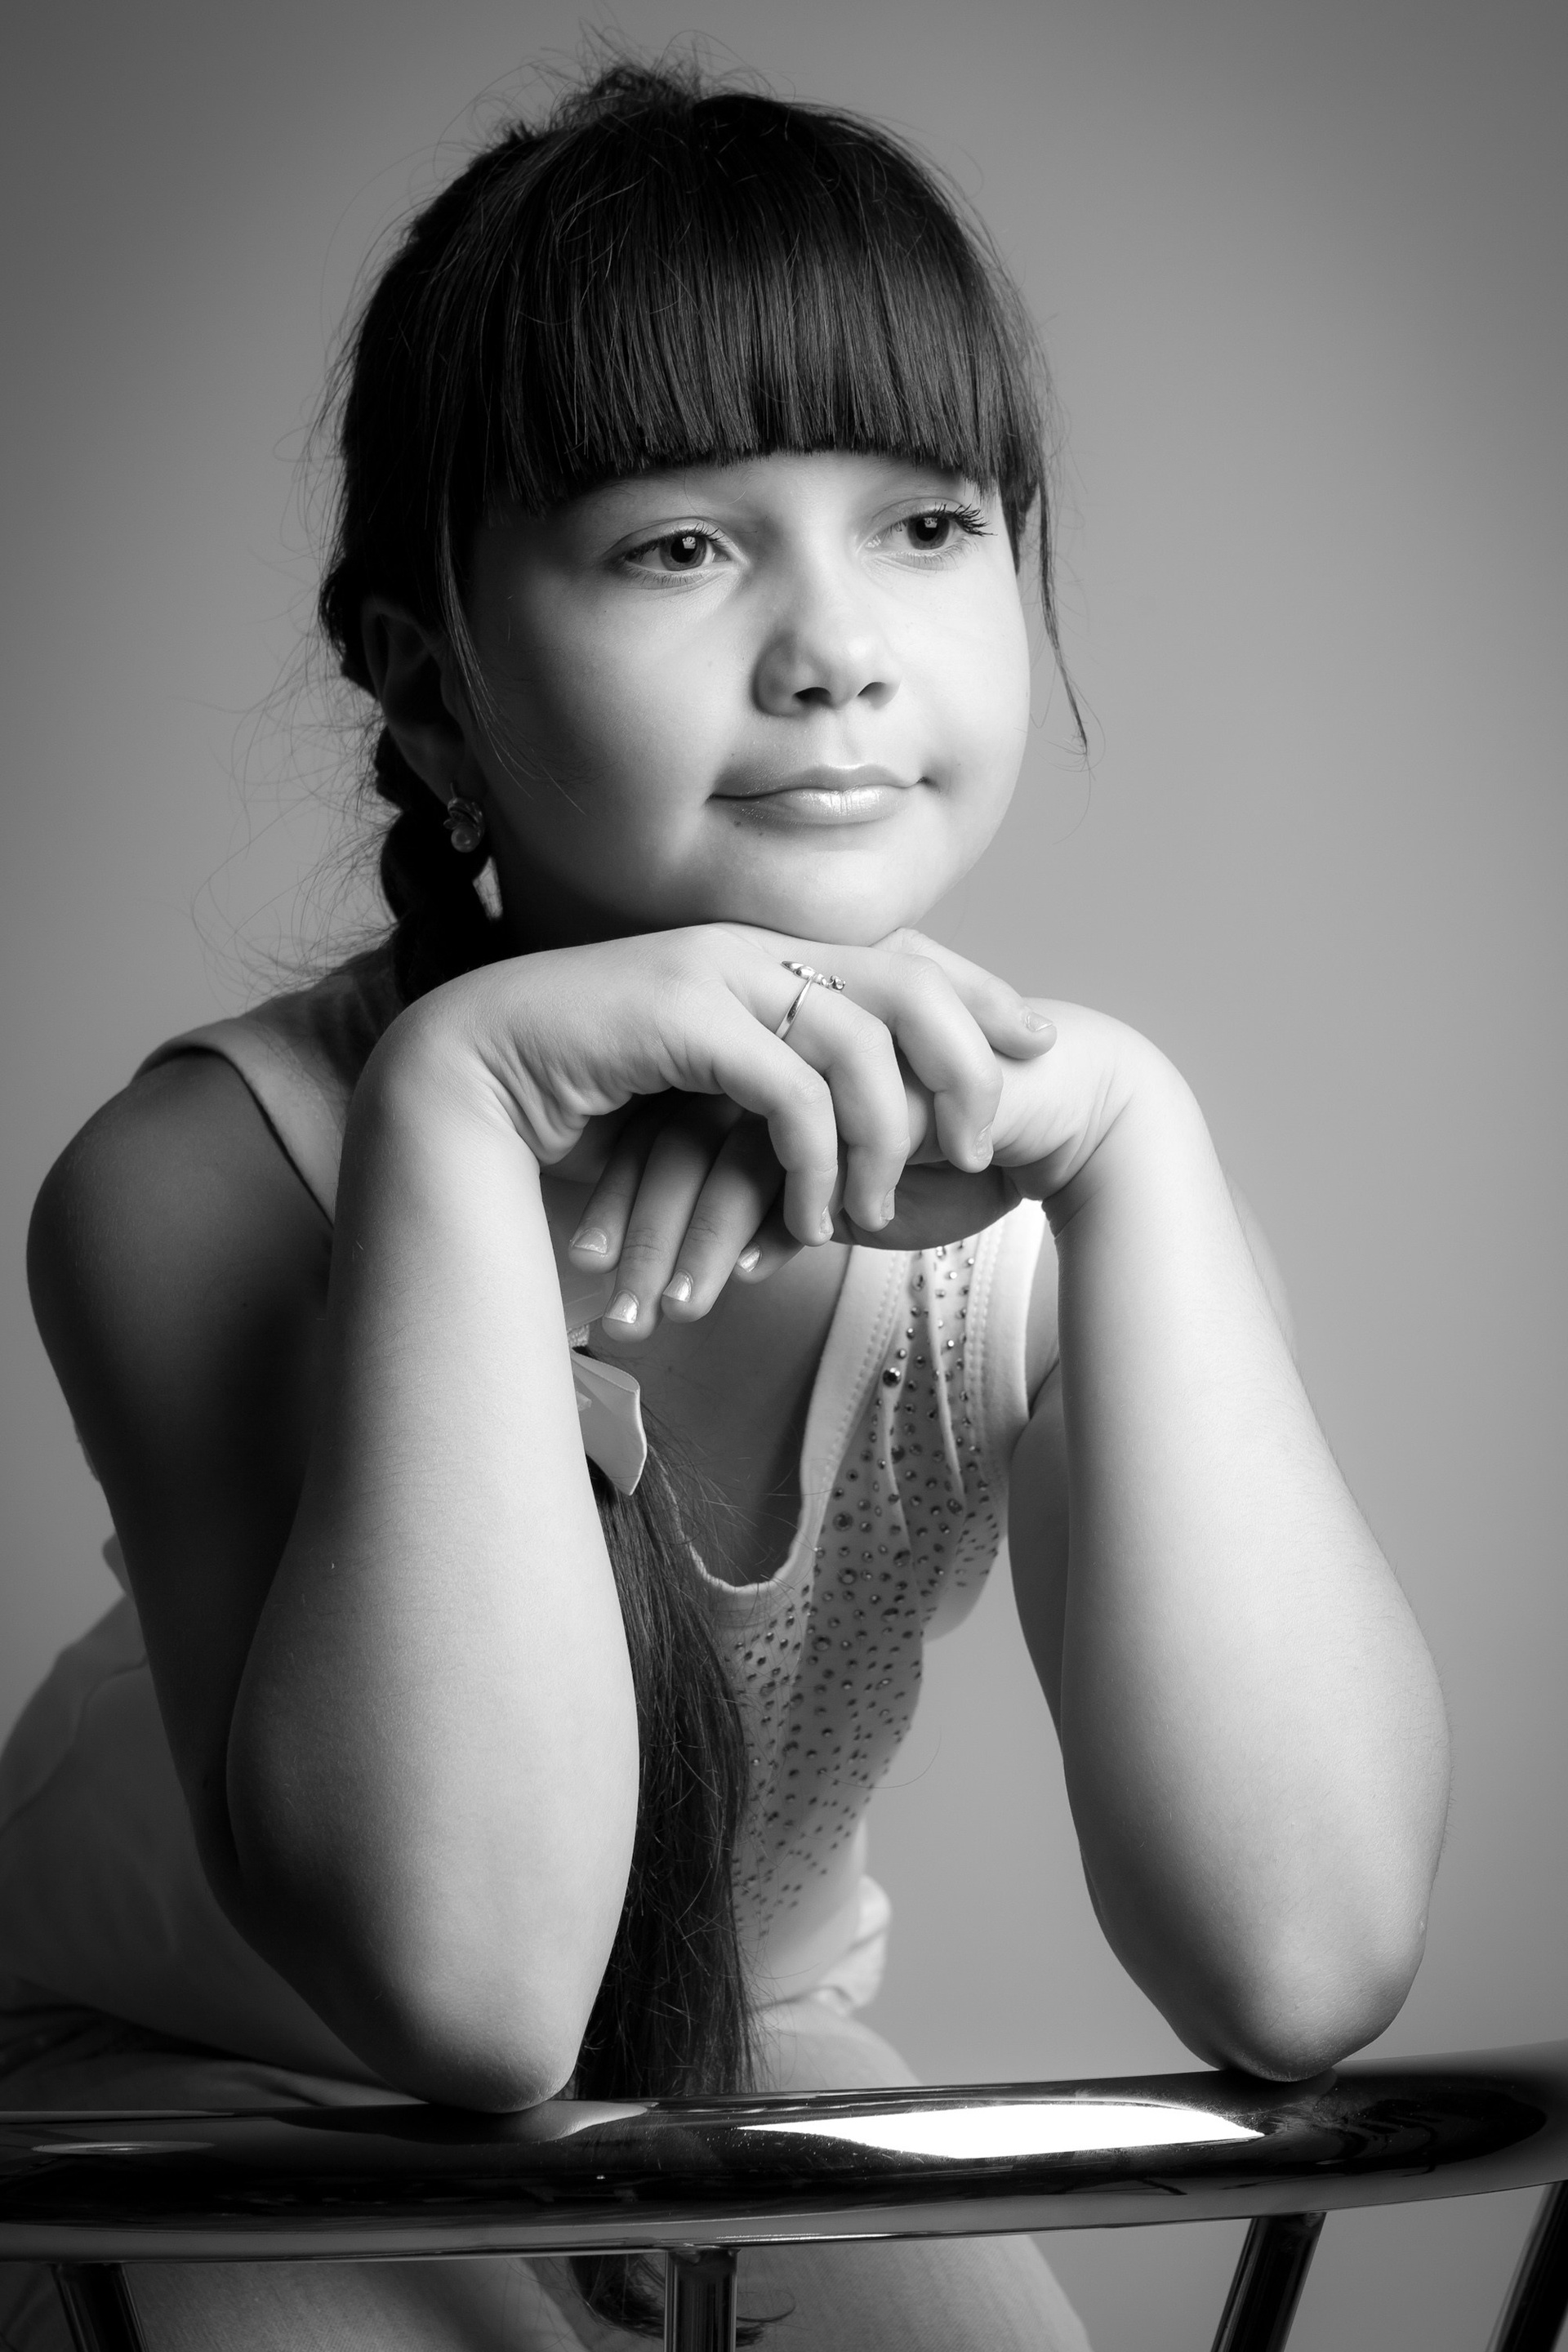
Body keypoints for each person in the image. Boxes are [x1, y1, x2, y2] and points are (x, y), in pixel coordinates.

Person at [0, 57, 1450, 2352]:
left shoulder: (1054, 1208)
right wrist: (458, 1113)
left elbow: (1304, 1960)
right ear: (433, 688)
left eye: (929, 523)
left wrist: (1144, 1140)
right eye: (681, 546)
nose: (835, 643)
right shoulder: (208, 1182)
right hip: (183, 2112)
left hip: (734, 2069)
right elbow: (468, 1998)